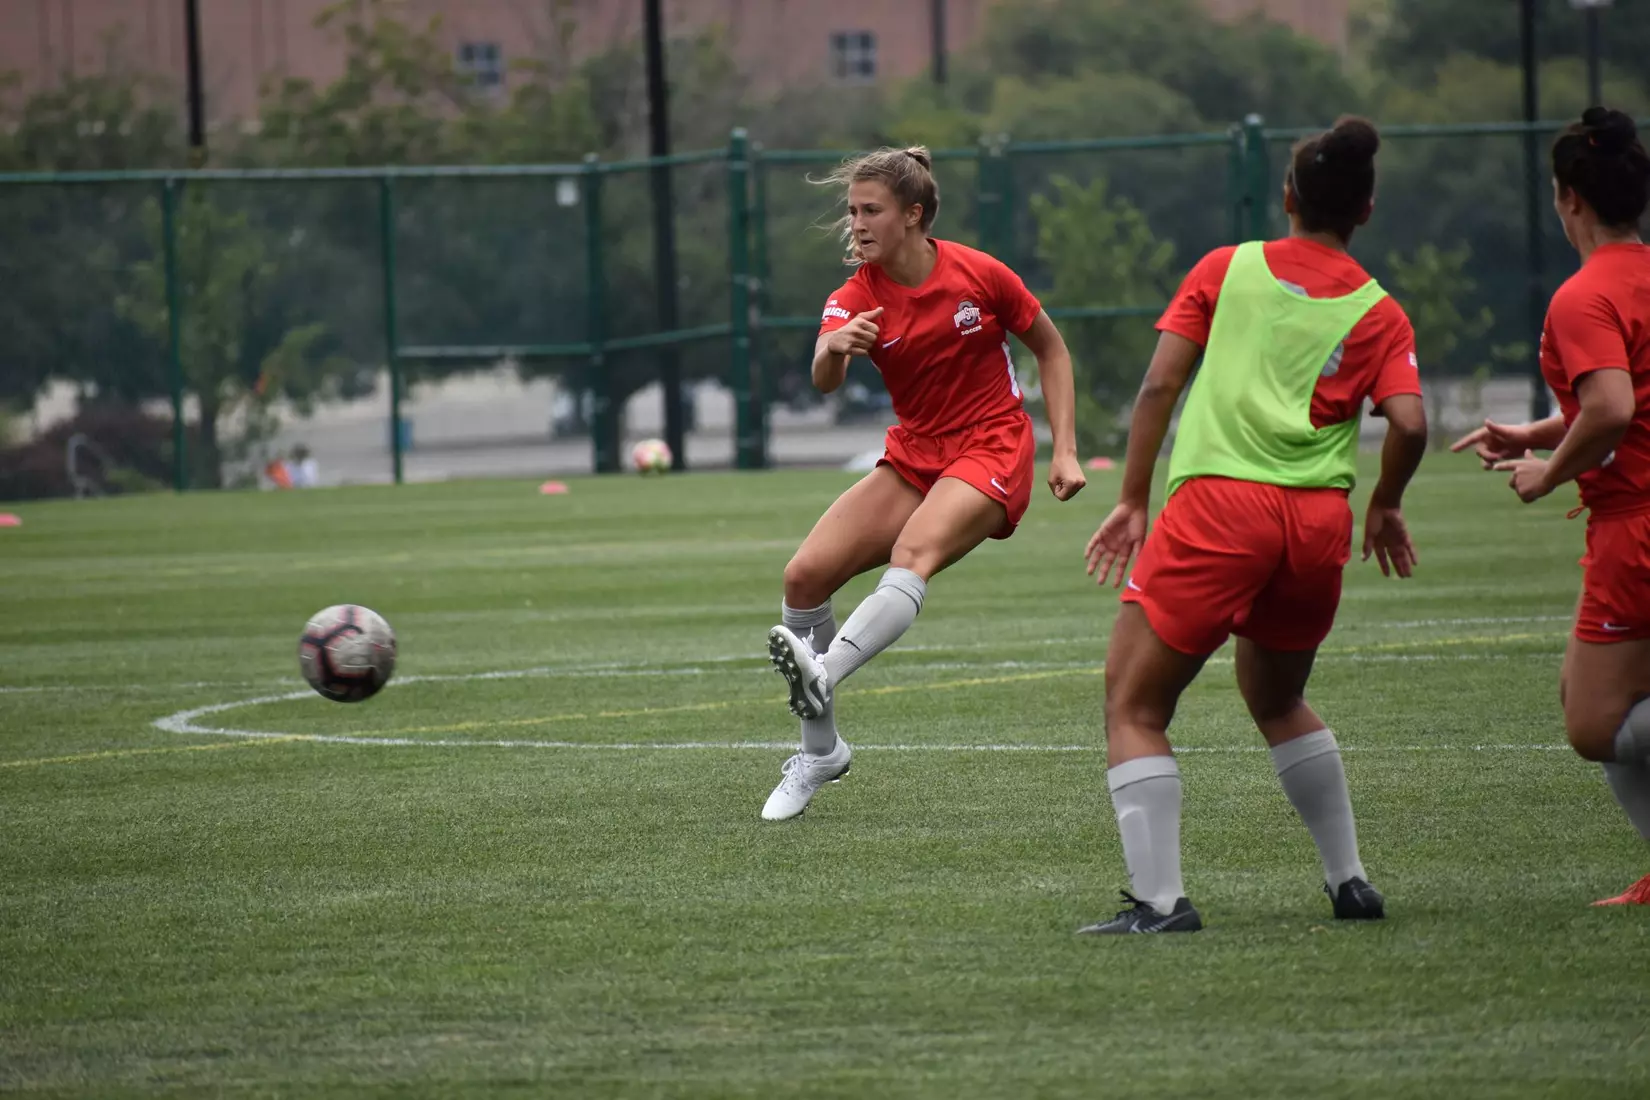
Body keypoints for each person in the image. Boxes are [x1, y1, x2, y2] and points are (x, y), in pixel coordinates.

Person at [1076, 117, 1429, 933]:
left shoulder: (1226, 269)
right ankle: (1349, 881)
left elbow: (1159, 388)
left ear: (1287, 197)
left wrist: (1131, 497)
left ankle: (1161, 904)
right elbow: (1409, 422)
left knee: (1134, 706)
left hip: (1218, 509)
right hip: (1314, 524)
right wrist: (1386, 501)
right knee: (1278, 697)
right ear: (1365, 211)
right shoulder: (1381, 311)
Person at [760, 146, 1087, 821]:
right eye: (851, 211)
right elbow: (825, 378)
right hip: (915, 454)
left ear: (913, 215)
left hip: (992, 444)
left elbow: (1051, 350)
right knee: (803, 577)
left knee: (914, 555)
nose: (857, 224)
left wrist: (1067, 452)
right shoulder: (854, 296)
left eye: (870, 210)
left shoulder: (979, 274)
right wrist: (834, 346)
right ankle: (821, 752)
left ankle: (825, 673)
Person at [1451, 107, 1650, 907]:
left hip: (1635, 524)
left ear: (1569, 198)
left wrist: (1548, 475)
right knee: (1585, 696)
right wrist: (1537, 431)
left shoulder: (1584, 294)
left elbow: (1610, 411)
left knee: (1594, 726)